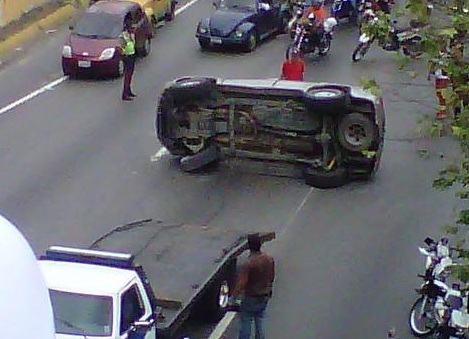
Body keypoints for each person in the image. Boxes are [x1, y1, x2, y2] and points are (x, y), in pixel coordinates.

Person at [231, 233, 275, 339]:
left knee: (246, 321)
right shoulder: (269, 259)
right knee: (259, 319)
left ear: (249, 247)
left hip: (251, 296)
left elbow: (242, 282)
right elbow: (272, 276)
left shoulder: (248, 263)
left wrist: (233, 297)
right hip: (264, 295)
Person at [119, 20, 137, 101]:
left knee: (130, 75)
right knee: (127, 76)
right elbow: (120, 47)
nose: (132, 29)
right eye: (131, 28)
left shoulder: (131, 35)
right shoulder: (123, 36)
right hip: (127, 57)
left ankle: (129, 91)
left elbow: (133, 43)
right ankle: (125, 94)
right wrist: (124, 54)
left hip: (132, 55)